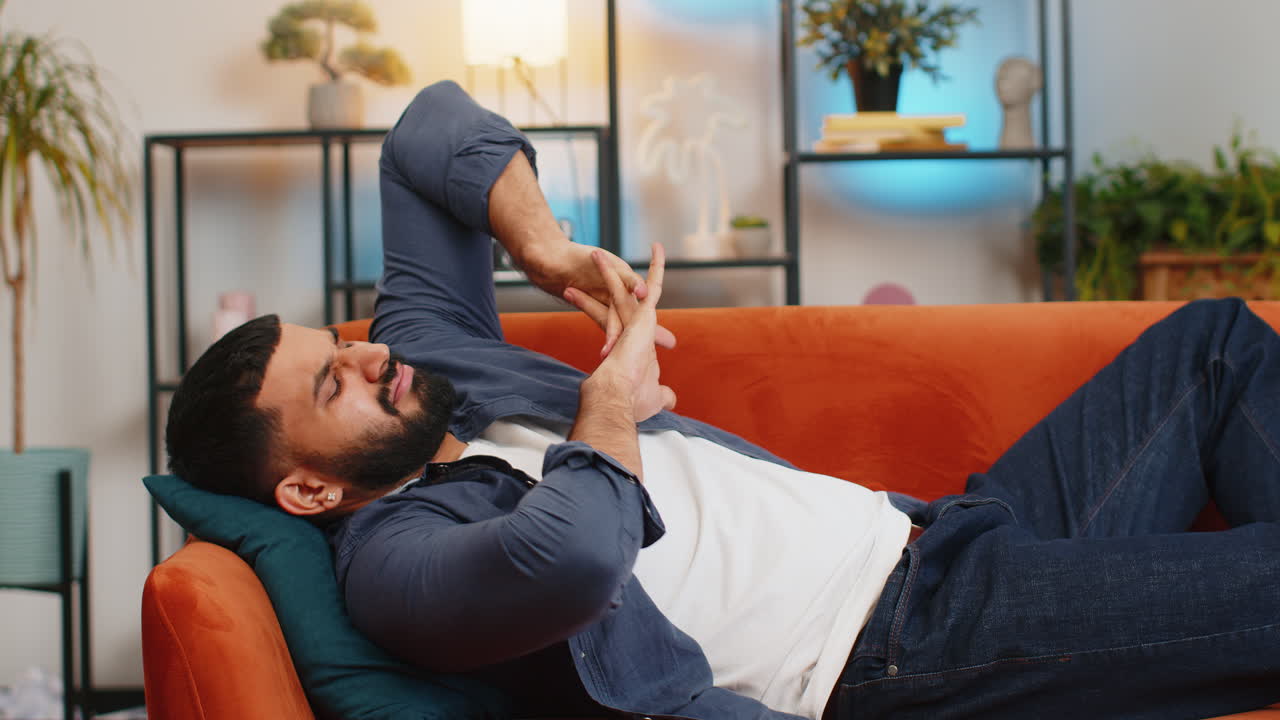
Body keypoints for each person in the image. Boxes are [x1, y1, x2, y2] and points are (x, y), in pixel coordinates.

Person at [164, 81, 1280, 720]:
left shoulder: (432, 360)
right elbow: (570, 558)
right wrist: (612, 397)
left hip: (935, 533)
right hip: (889, 643)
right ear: (306, 490)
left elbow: (426, 134)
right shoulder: (394, 567)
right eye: (334, 382)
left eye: (344, 344)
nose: (371, 357)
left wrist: (543, 249)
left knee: (1213, 346)